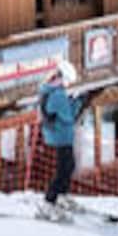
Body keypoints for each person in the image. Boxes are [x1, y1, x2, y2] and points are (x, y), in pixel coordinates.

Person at [37, 57, 84, 220]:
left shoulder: (49, 90)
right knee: (64, 169)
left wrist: (71, 101)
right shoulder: (57, 95)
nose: (67, 85)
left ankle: (62, 196)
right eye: (67, 81)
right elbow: (69, 116)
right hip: (61, 136)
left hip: (57, 134)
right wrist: (78, 101)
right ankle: (49, 202)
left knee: (68, 166)